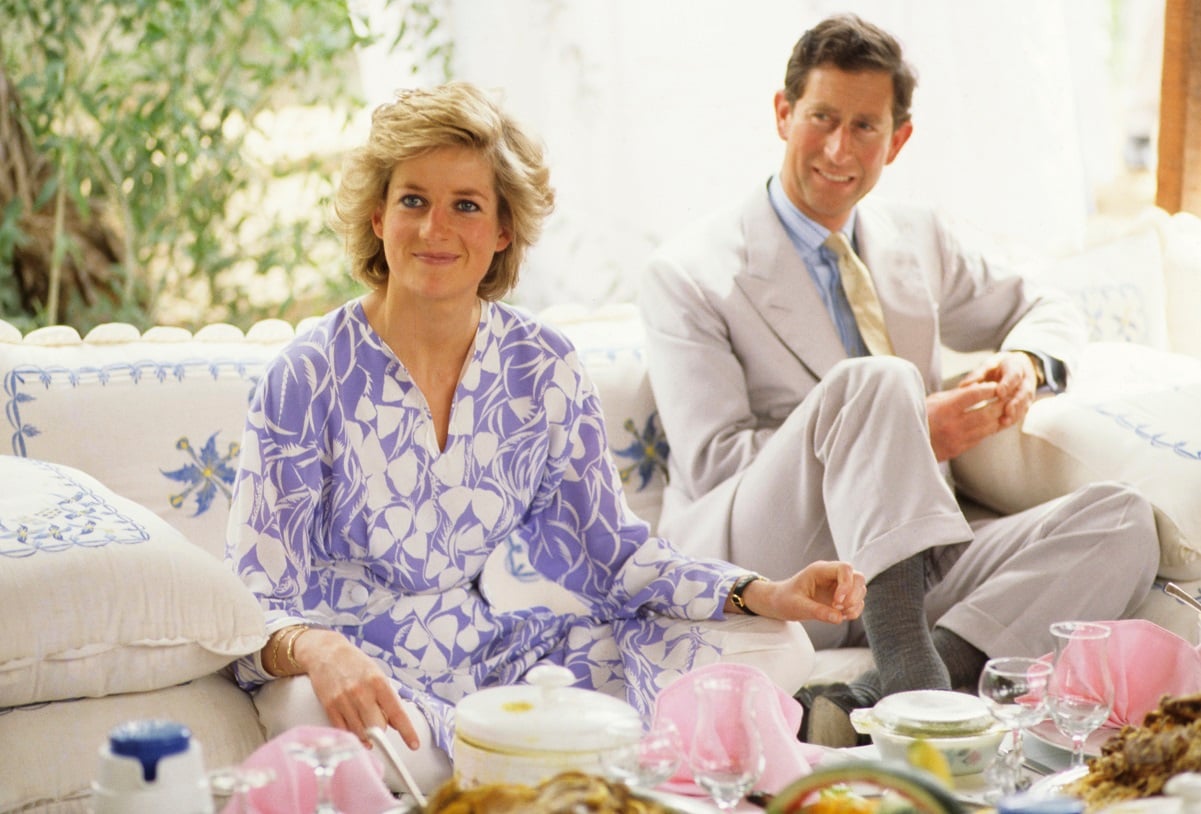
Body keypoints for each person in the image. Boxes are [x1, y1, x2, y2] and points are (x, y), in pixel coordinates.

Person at [225, 81, 867, 793]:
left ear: (502, 230)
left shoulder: (542, 365)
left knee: (773, 644)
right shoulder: (305, 376)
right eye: (413, 200)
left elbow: (607, 555)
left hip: (504, 660)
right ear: (377, 216)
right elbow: (254, 594)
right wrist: (319, 648)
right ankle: (562, 774)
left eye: (465, 205)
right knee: (318, 724)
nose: (435, 228)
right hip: (365, 678)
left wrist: (762, 593)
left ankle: (532, 774)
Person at [639, 14, 1160, 747]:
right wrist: (906, 431)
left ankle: (887, 690)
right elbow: (716, 464)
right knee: (879, 384)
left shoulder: (919, 239)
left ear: (898, 139)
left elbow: (1043, 303)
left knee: (1122, 520)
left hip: (909, 570)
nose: (837, 148)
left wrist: (1025, 364)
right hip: (771, 559)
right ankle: (915, 681)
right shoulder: (691, 273)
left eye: (864, 127)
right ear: (784, 113)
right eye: (820, 118)